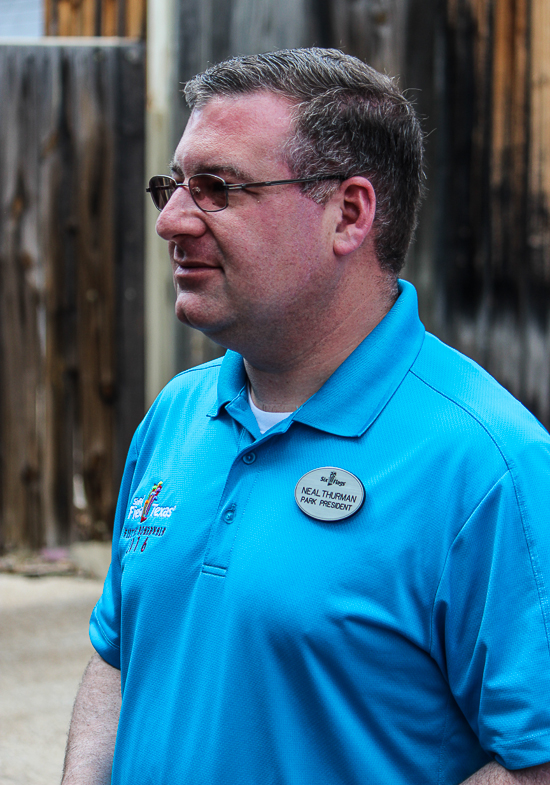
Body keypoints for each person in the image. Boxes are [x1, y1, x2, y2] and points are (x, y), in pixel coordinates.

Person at [62, 48, 550, 785]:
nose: (170, 220)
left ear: (348, 214)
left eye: (217, 188)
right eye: (172, 185)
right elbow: (119, 651)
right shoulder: (179, 412)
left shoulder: (491, 466)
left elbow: (534, 760)